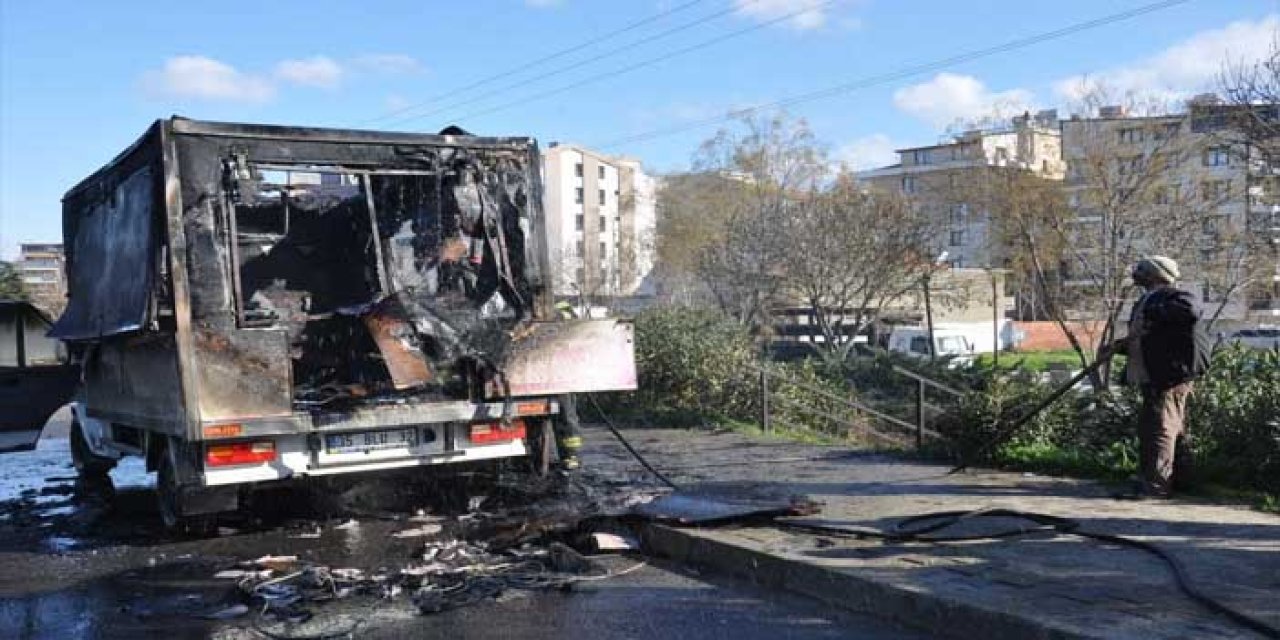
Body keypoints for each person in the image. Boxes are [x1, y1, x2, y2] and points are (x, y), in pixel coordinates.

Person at [1106, 256, 1210, 499]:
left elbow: (1191, 311)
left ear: (1156, 274)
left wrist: (1155, 311)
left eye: (1142, 270)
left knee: (1161, 428)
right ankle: (1178, 479)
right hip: (1152, 375)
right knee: (1160, 427)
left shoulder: (1175, 297)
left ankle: (1156, 486)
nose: (1136, 274)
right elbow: (1148, 338)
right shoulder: (1146, 300)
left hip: (1169, 376)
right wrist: (1119, 347)